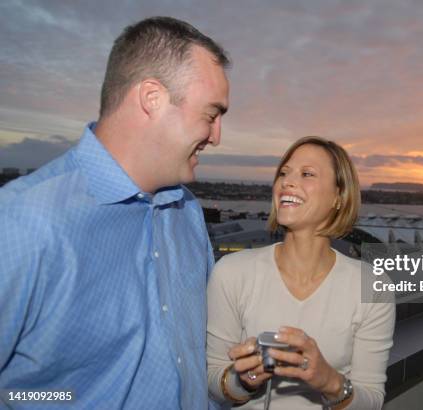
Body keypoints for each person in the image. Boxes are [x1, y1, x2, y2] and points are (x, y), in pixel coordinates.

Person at [0, 17, 229, 409]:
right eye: (211, 115)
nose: (216, 136)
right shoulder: (20, 223)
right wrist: (63, 399)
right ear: (152, 98)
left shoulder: (187, 213)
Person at [206, 137, 395, 409]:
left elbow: (372, 401)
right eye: (283, 173)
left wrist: (329, 380)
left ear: (338, 198)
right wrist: (243, 380)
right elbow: (214, 380)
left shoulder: (372, 286)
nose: (286, 182)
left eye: (307, 174)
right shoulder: (231, 273)